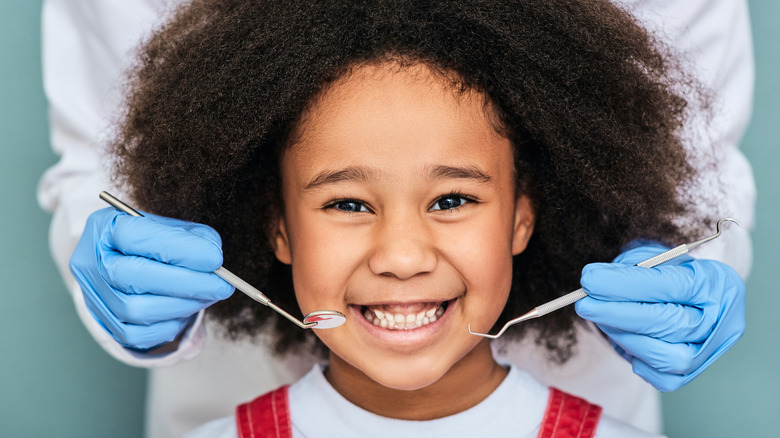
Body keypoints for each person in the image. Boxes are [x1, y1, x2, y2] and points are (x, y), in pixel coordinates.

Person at [37, 0, 754, 436]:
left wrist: (690, 269)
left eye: (451, 200)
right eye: (348, 203)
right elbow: (108, 152)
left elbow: (697, 161)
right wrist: (129, 282)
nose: (403, 255)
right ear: (275, 225)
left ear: (524, 215)